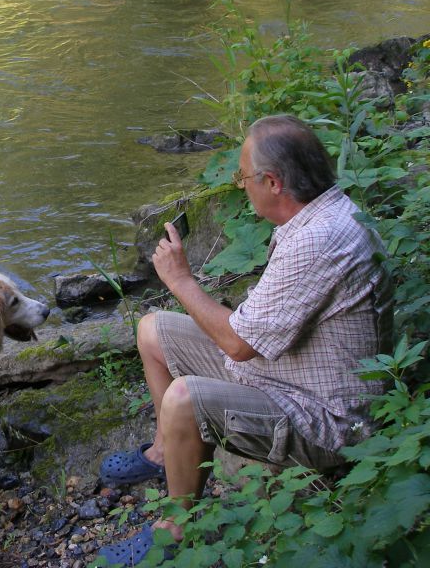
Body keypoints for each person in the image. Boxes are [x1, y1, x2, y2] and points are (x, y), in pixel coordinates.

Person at [95, 114, 393, 567]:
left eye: (243, 176)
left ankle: (176, 528)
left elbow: (237, 345)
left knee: (184, 399)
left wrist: (180, 279)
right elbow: (255, 328)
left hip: (325, 418)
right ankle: (164, 451)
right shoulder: (321, 214)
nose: (240, 186)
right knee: (153, 329)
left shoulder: (320, 239)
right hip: (286, 371)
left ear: (272, 182)